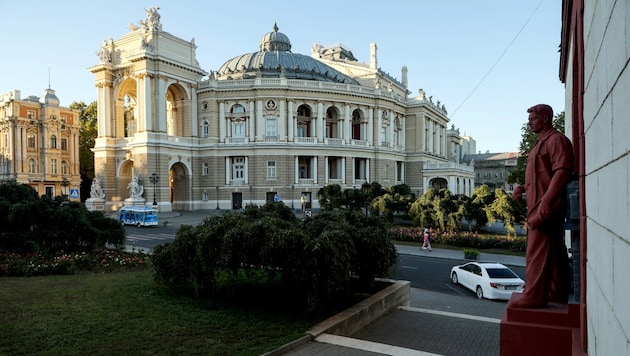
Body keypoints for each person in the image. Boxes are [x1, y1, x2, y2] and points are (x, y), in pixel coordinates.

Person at [507, 104, 574, 309]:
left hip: (545, 207)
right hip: (539, 204)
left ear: (545, 118)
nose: (529, 122)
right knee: (554, 251)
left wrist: (546, 201)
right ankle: (556, 292)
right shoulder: (539, 144)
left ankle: (535, 295)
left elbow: (562, 171)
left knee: (536, 250)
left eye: (533, 118)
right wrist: (521, 188)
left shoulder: (556, 140)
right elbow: (540, 176)